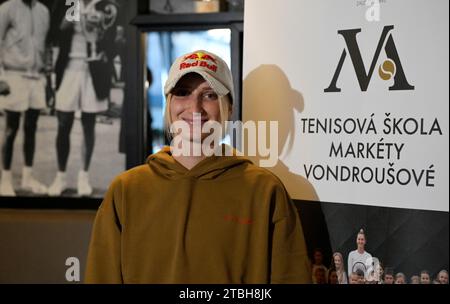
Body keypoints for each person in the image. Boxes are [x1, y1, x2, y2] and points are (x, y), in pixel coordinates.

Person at [84, 50, 312, 283]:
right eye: (182, 93)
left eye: (209, 95)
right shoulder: (126, 190)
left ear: (229, 107)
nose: (195, 108)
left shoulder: (265, 190)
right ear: (169, 104)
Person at [48, 0, 119, 196]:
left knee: (89, 124)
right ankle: (60, 177)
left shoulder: (106, 5)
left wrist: (102, 37)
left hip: (94, 69)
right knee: (64, 123)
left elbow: (113, 40)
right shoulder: (69, 3)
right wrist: (75, 14)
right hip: (69, 66)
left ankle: (83, 177)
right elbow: (56, 30)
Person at [0, 0, 50, 196]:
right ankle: (5, 180)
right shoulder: (7, 8)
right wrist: (1, 77)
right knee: (11, 129)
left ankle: (27, 178)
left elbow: (44, 46)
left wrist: (47, 80)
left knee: (32, 128)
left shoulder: (43, 11)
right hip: (14, 75)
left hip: (36, 77)